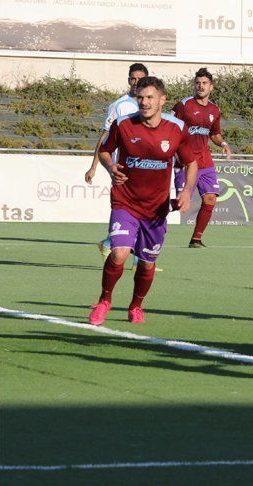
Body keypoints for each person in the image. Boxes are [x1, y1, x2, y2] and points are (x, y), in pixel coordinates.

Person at [88, 77, 198, 326]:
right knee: (119, 253)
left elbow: (191, 162)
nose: (144, 102)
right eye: (140, 97)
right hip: (125, 202)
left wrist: (187, 191)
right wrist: (110, 166)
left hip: (156, 209)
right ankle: (105, 301)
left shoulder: (176, 128)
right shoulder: (123, 124)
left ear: (162, 100)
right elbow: (105, 150)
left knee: (147, 264)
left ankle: (136, 306)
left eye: (150, 97)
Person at [85, 63, 148, 266]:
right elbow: (104, 138)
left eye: (140, 78)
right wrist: (94, 166)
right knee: (132, 212)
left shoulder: (152, 104)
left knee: (145, 212)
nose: (136, 82)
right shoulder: (120, 105)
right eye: (133, 78)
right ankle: (139, 260)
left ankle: (108, 242)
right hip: (125, 169)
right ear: (128, 80)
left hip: (148, 168)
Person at [171, 68, 231, 248]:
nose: (201, 86)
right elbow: (171, 129)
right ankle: (146, 215)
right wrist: (175, 154)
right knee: (180, 203)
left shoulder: (214, 109)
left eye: (204, 83)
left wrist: (223, 144)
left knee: (210, 199)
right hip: (186, 162)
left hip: (205, 161)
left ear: (211, 87)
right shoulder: (184, 105)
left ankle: (196, 239)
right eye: (198, 83)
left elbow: (215, 134)